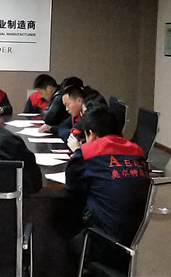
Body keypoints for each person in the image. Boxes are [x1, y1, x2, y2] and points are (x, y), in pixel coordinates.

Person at [64, 105, 150, 271]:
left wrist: (77, 153)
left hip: (107, 243)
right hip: (141, 241)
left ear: (91, 134)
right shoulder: (137, 150)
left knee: (66, 223)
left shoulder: (88, 151)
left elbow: (72, 188)